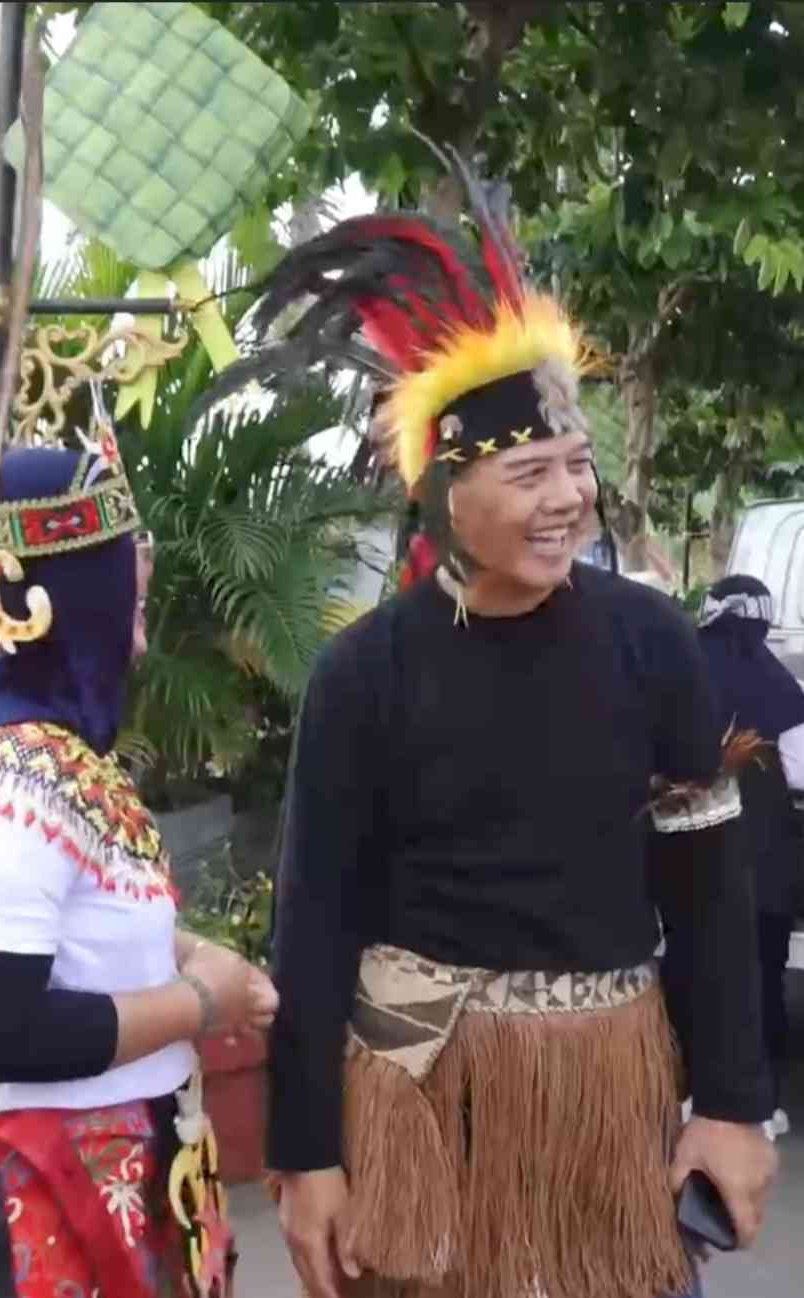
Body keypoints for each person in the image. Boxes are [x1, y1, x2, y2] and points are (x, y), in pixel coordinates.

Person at [205, 172, 779, 1298]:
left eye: (576, 464)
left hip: (605, 1097)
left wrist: (730, 1104)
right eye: (528, 473)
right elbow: (313, 920)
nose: (567, 496)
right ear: (444, 494)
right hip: (419, 1100)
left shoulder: (654, 639)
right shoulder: (363, 672)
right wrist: (309, 1152)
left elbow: (713, 890)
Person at [0, 439, 277, 1298]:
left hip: (76, 1170)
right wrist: (202, 1004)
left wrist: (184, 950)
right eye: (125, 566)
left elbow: (71, 930)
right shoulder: (2, 784)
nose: (143, 586)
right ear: (74, 593)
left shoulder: (46, 752)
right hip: (24, 1182)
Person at [687, 575, 803, 1140]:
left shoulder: (680, 672)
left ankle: (693, 1094)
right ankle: (761, 1105)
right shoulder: (782, 692)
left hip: (696, 852)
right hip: (768, 859)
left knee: (698, 970)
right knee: (763, 975)